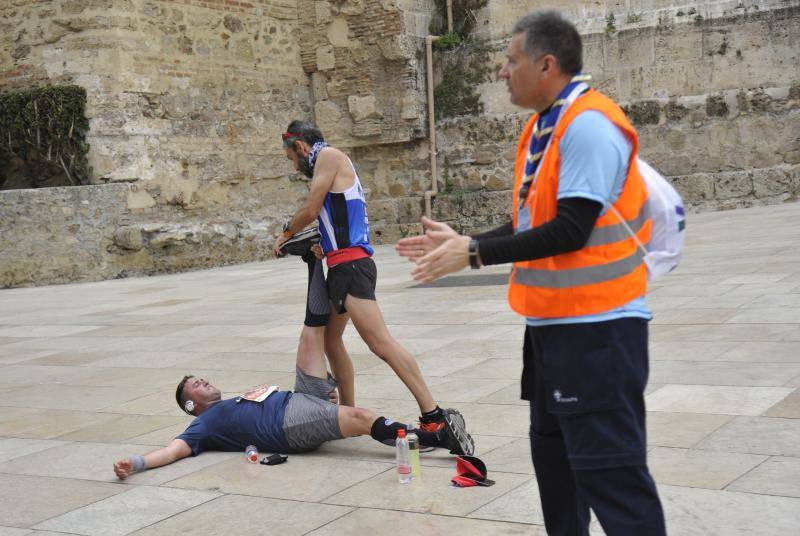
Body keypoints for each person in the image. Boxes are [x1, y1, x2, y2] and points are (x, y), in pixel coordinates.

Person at [397, 10, 666, 536]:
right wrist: (465, 241)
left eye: (511, 60)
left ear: (547, 65)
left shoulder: (587, 125)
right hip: (552, 332)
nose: (502, 71)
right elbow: (528, 223)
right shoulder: (544, 127)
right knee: (558, 479)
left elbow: (572, 230)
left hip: (596, 335)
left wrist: (473, 255)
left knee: (612, 479)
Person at [113, 235, 474, 479]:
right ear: (191, 406)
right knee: (361, 417)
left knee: (309, 337)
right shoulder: (202, 426)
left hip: (294, 398)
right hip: (288, 425)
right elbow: (172, 451)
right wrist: (139, 463)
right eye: (195, 385)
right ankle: (432, 437)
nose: (202, 381)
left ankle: (310, 259)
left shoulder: (229, 403)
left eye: (199, 378)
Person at [272, 120, 461, 435]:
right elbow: (336, 217)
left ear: (300, 147)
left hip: (352, 267)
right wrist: (324, 245)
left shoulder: (328, 157)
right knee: (331, 341)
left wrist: (284, 234)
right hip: (342, 265)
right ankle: (346, 412)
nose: (295, 166)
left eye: (292, 159)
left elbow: (311, 207)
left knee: (380, 343)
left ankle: (433, 414)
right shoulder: (328, 162)